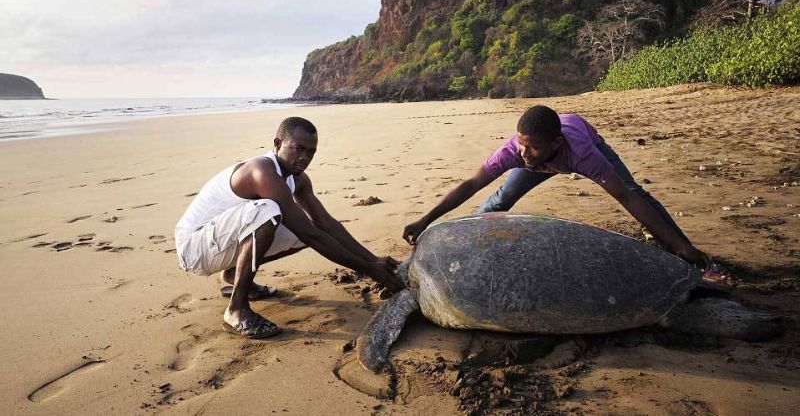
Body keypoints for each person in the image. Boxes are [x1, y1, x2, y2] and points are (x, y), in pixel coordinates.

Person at [403, 105, 723, 278]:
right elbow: (471, 185)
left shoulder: (584, 155)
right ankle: (465, 246)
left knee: (632, 190)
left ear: (554, 144)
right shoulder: (516, 152)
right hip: (551, 156)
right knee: (501, 198)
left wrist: (679, 246)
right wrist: (425, 220)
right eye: (522, 144)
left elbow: (625, 198)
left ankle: (683, 249)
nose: (525, 153)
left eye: (533, 147)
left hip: (584, 139)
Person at [176, 117, 403, 339]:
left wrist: (373, 260)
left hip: (220, 243)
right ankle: (236, 309)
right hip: (194, 248)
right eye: (298, 148)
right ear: (277, 144)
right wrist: (370, 270)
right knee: (267, 211)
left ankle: (237, 274)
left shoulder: (298, 179)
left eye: (311, 152)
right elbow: (310, 235)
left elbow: (325, 223)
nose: (304, 157)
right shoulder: (261, 172)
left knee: (304, 225)